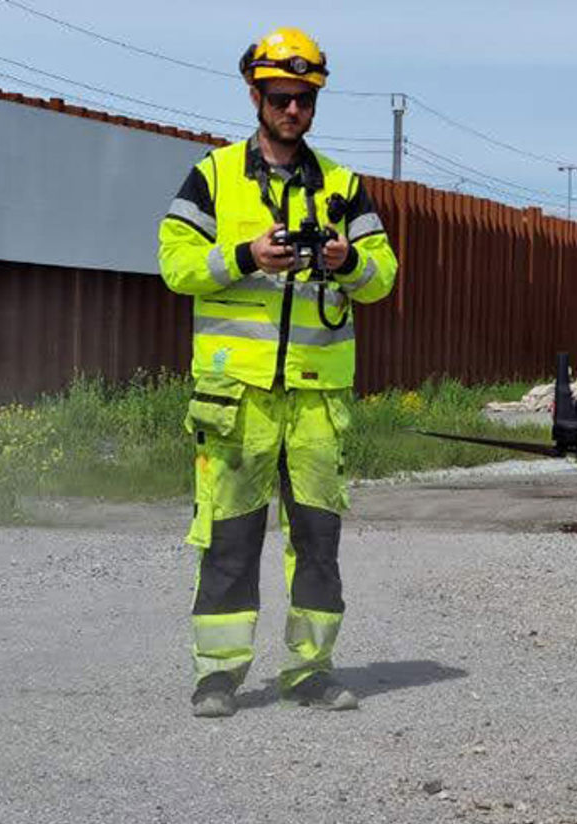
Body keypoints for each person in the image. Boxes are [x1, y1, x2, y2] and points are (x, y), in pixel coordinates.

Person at [158, 27, 399, 718]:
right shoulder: (212, 176)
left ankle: (310, 671)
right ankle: (218, 674)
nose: (293, 110)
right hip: (237, 399)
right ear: (255, 96)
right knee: (229, 539)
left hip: (317, 402)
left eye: (305, 99)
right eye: (281, 97)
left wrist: (345, 261)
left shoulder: (344, 188)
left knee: (317, 540)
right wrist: (243, 255)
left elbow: (383, 276)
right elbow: (174, 264)